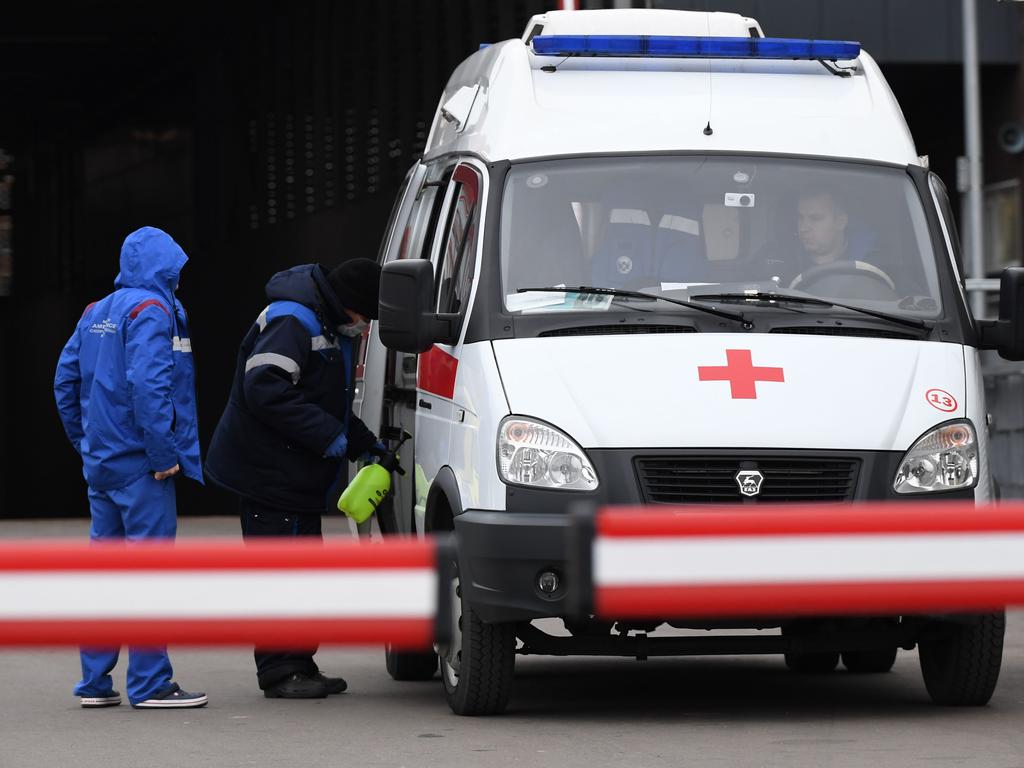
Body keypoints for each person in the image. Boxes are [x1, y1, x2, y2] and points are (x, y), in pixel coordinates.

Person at [205, 258, 385, 699]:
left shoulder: (325, 323)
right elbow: (264, 389)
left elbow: (326, 399)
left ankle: (299, 662)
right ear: (351, 306)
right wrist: (330, 438)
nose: (365, 327)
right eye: (366, 317)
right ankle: (280, 671)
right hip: (269, 473)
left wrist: (364, 442)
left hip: (293, 474)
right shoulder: (294, 320)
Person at [53, 226, 207, 709]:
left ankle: (95, 685)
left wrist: (88, 444)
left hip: (103, 466)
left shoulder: (94, 312)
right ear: (164, 268)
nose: (180, 279)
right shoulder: (153, 311)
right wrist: (163, 457)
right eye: (176, 270)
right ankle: (150, 683)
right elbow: (149, 386)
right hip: (143, 469)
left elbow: (64, 381)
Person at [786, 190, 894, 293]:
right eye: (800, 218)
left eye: (815, 218)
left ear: (840, 222)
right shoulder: (785, 264)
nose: (803, 228)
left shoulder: (874, 266)